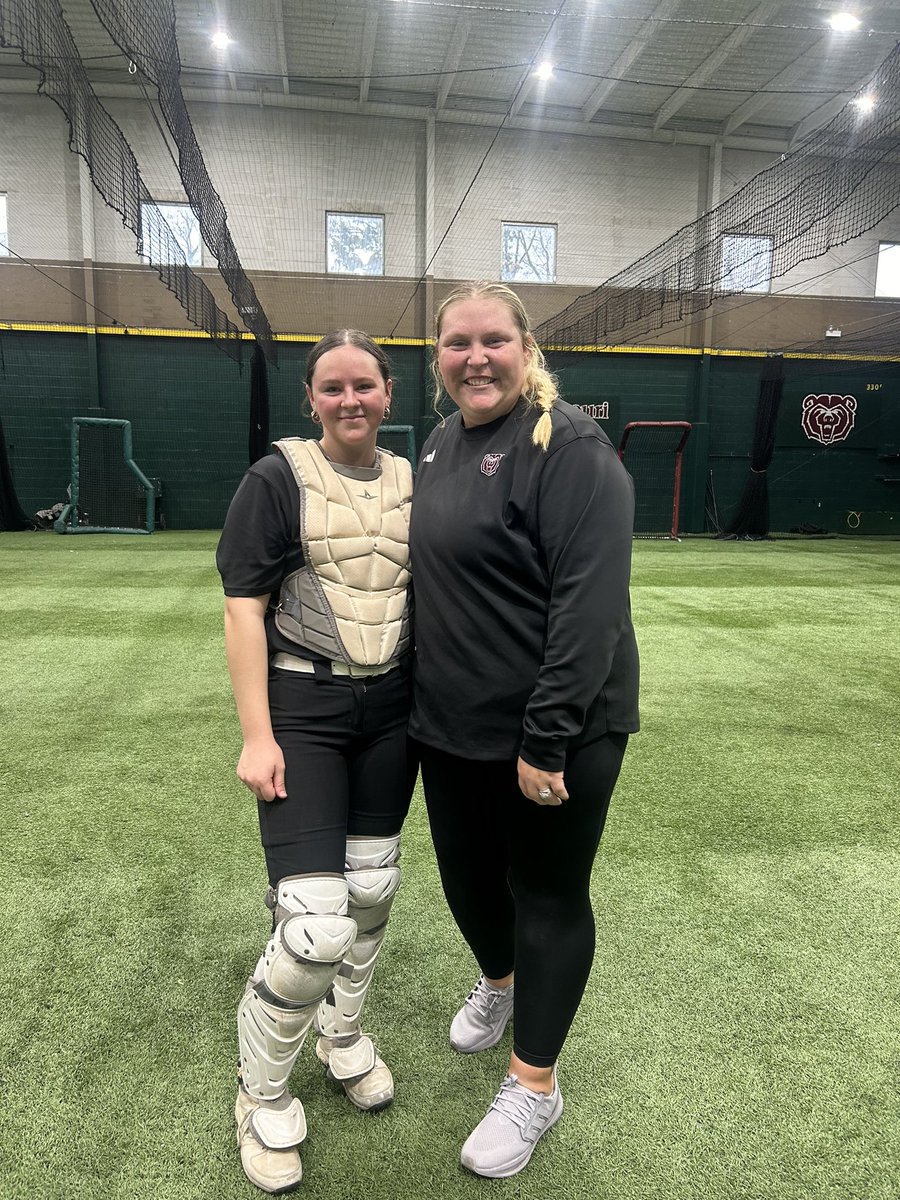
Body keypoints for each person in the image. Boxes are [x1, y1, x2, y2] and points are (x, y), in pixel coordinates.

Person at [409, 282, 640, 1179]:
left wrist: (545, 741)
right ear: (437, 356)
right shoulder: (439, 443)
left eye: (492, 340)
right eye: (457, 342)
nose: (476, 357)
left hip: (558, 734)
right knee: (470, 884)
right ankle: (500, 987)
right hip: (453, 728)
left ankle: (534, 1083)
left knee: (545, 894)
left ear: (526, 346)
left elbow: (589, 613)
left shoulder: (572, 447)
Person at [216, 330, 414, 1194]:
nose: (349, 400)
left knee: (372, 891)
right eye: (332, 388)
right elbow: (243, 610)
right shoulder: (277, 478)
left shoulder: (419, 478)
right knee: (314, 925)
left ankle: (341, 1036)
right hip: (305, 706)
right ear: (311, 399)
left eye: (363, 385)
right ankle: (259, 1095)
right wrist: (258, 735)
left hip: (394, 709)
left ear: (388, 393)